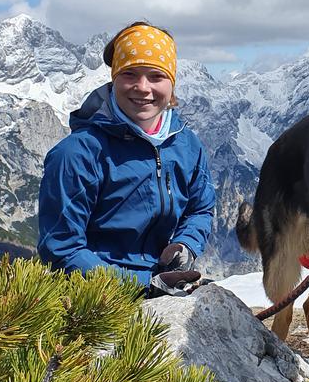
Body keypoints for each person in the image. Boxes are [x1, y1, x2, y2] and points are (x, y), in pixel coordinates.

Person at [38, 21, 215, 297]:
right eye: (130, 74)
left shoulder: (186, 144)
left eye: (156, 76)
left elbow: (200, 208)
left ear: (172, 83)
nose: (142, 87)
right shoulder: (76, 154)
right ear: (114, 78)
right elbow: (62, 249)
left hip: (160, 285)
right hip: (92, 299)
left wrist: (184, 245)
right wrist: (143, 286)